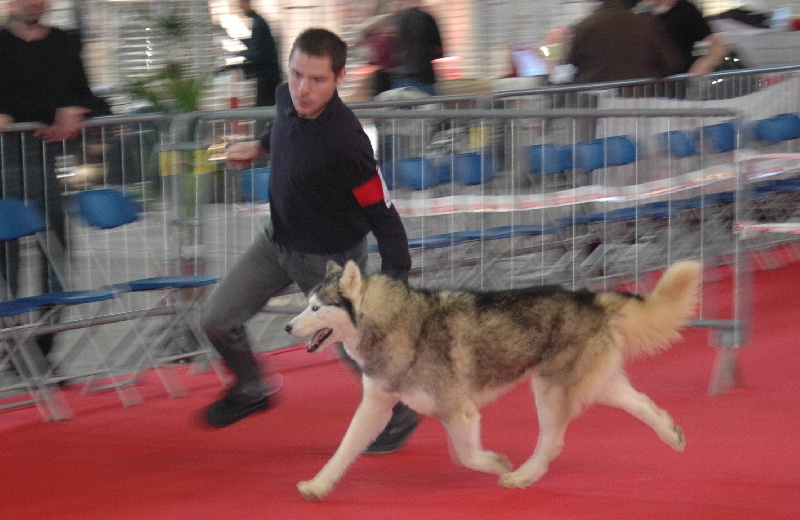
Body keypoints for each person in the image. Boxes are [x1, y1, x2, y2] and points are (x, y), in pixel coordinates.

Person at [203, 28, 418, 454]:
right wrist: (256, 146)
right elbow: (282, 134)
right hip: (276, 241)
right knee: (215, 319)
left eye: (317, 80)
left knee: (357, 351)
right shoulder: (285, 98)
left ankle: (399, 412)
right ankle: (252, 389)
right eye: (297, 74)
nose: (303, 89)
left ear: (340, 78)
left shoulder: (348, 143)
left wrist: (397, 277)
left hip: (331, 260)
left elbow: (383, 212)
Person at [0, 0, 110, 362]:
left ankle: (43, 344)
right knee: (6, 258)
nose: (34, 3)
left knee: (58, 253)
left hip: (46, 160)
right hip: (5, 160)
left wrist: (75, 108)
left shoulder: (63, 42)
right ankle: (11, 342)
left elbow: (86, 93)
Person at [566, 0, 680, 85]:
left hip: (595, 98)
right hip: (635, 98)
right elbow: (668, 64)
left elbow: (570, 65)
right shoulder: (644, 23)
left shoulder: (584, 26)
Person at [644, 0, 729, 76]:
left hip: (675, 80)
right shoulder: (641, 13)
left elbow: (718, 44)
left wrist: (707, 62)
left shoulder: (685, 10)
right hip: (644, 80)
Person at [389, 0, 443, 96]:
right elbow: (438, 50)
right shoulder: (427, 18)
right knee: (428, 108)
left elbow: (389, 52)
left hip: (400, 79)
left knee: (401, 109)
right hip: (424, 76)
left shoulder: (395, 21)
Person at [238, 0, 282, 106]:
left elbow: (257, 52)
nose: (241, 8)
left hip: (267, 77)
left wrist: (241, 54)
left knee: (262, 110)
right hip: (268, 76)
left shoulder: (258, 23)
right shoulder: (258, 22)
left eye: (242, 4)